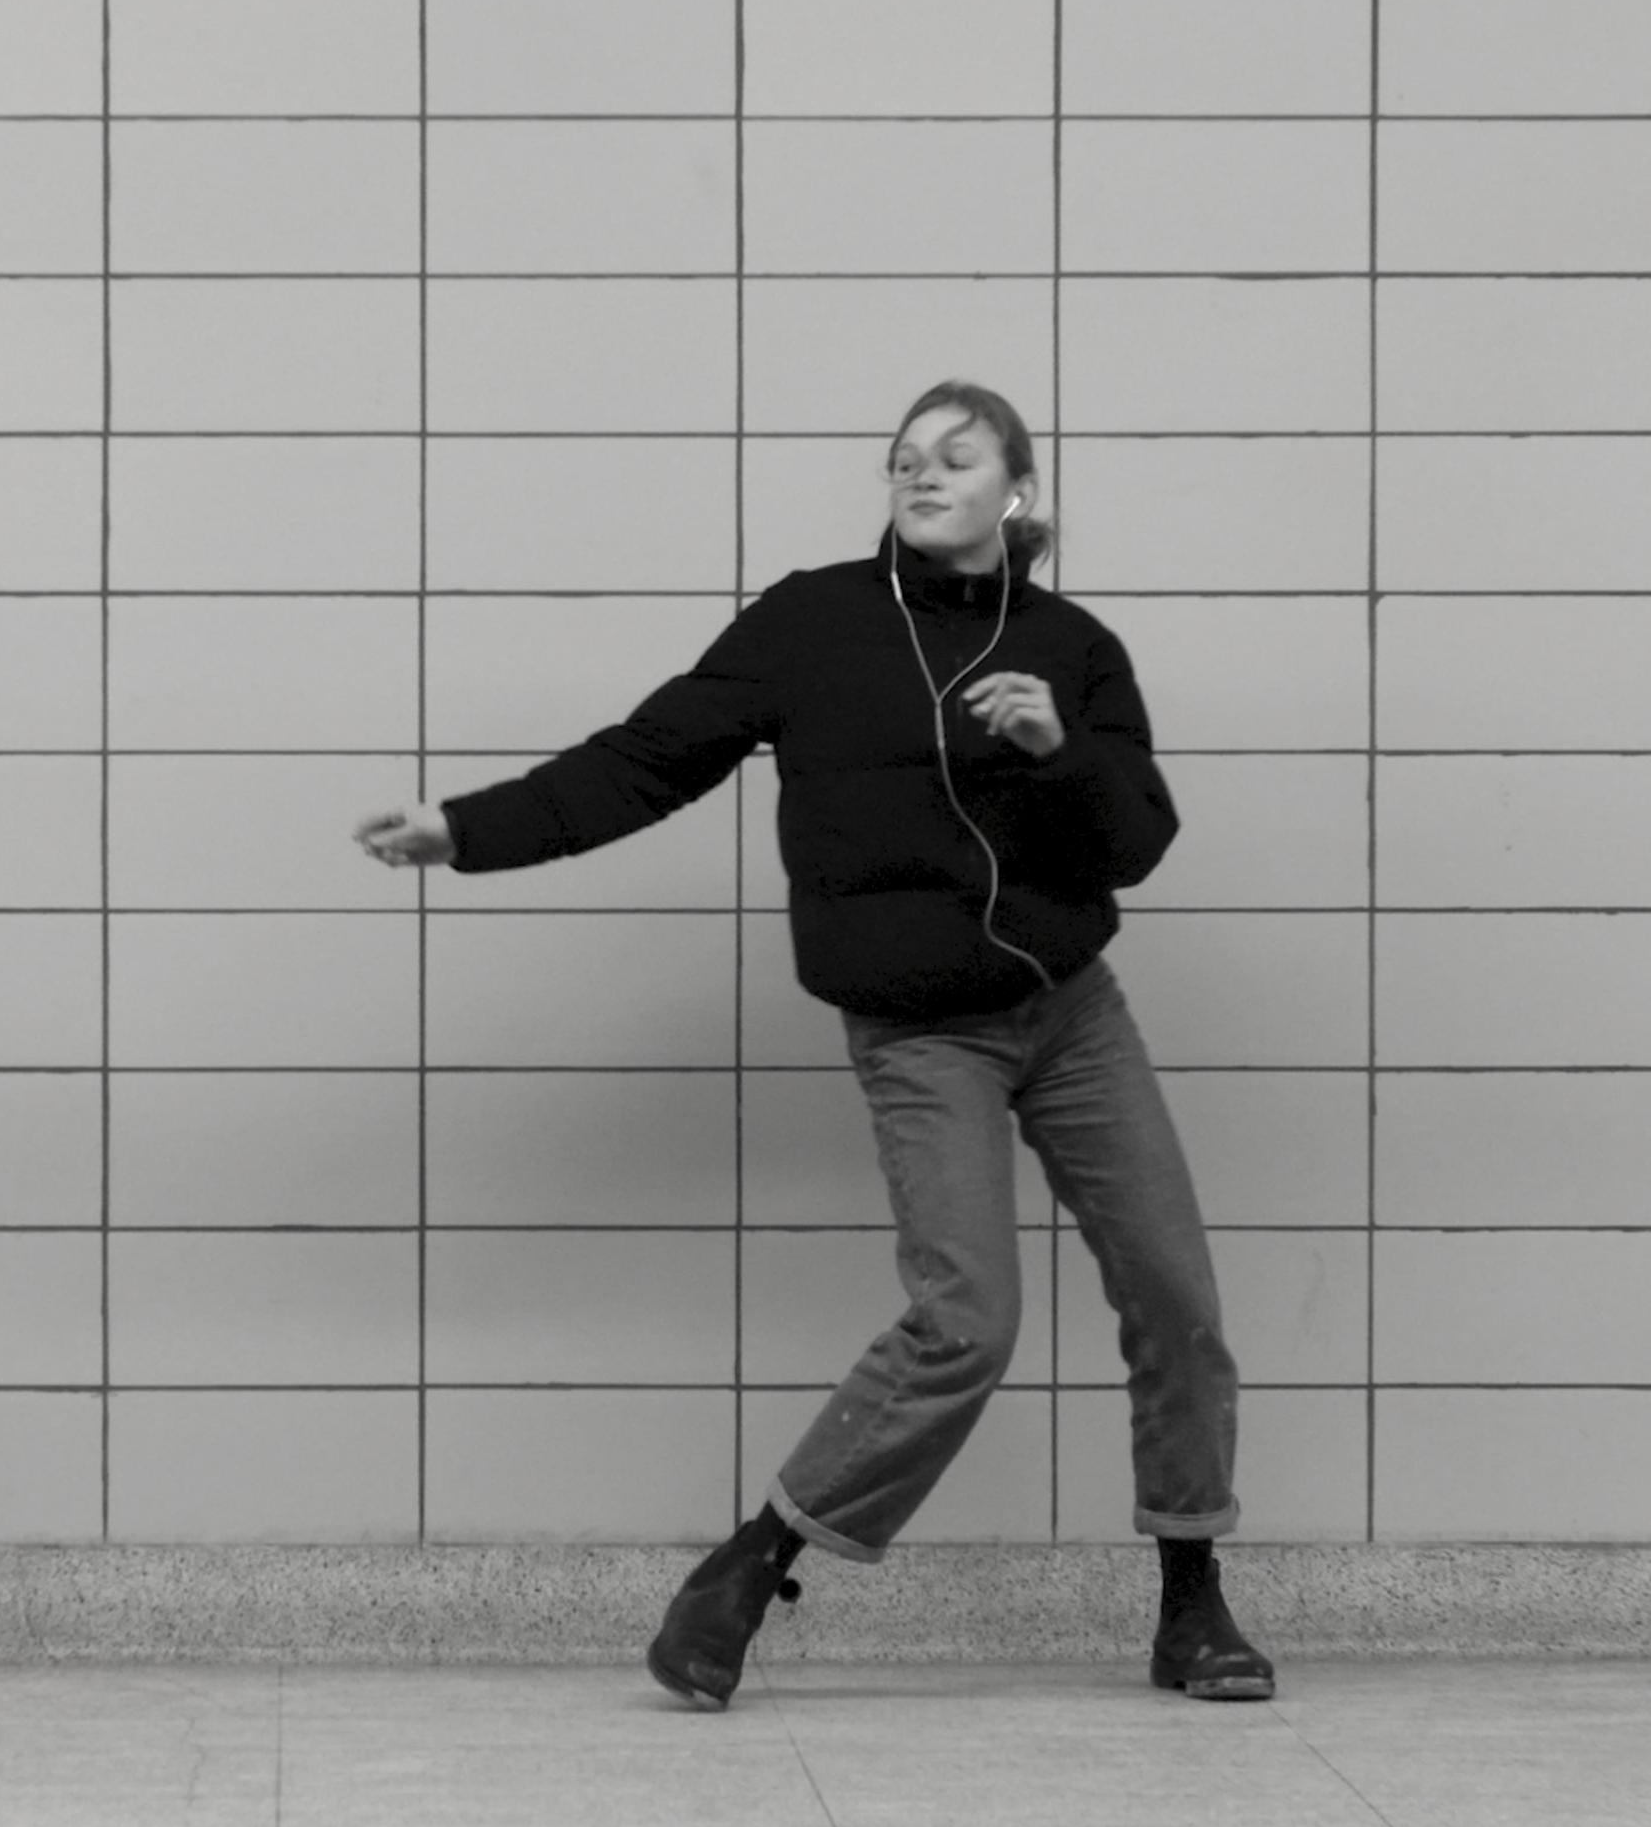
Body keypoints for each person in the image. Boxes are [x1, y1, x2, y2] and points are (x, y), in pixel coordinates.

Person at [357, 381, 1271, 1711]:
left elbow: (1139, 839)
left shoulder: (1074, 647)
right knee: (970, 1321)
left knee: (1178, 1299)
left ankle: (1192, 1606)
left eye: (956, 458)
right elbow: (646, 756)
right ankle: (751, 1564)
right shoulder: (814, 620)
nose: (921, 472)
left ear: (1016, 490)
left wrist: (1055, 750)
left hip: (1073, 1016)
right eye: (904, 458)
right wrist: (468, 831)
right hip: (920, 1030)